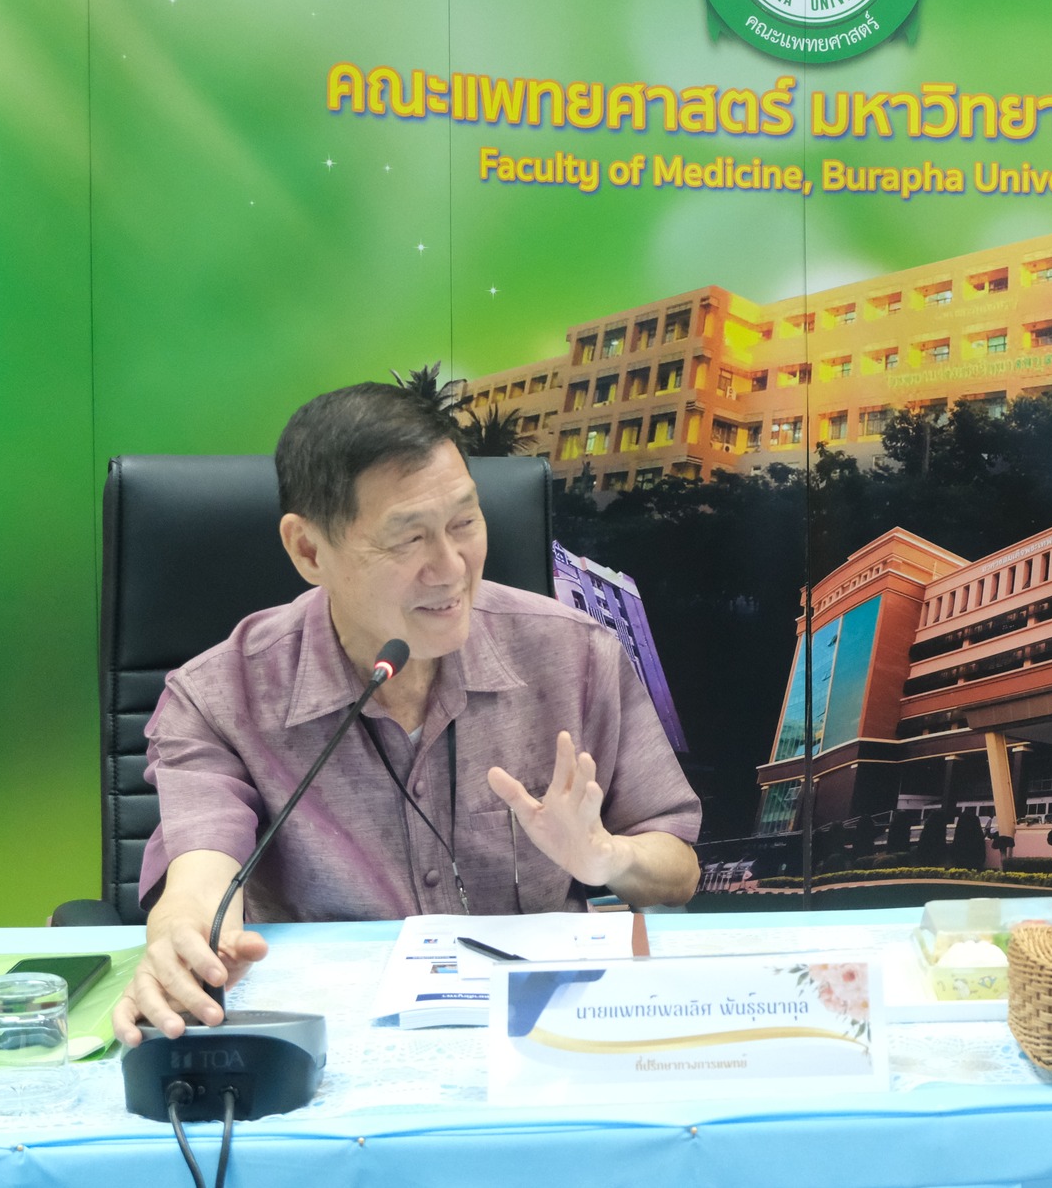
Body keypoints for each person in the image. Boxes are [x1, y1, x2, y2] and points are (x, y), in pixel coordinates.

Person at [112, 382, 701, 1045]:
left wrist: (608, 858)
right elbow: (200, 876)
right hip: (339, 1045)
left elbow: (677, 869)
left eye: (464, 523)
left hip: (544, 1036)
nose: (450, 569)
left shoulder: (575, 654)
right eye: (408, 539)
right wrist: (183, 938)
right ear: (308, 550)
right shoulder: (220, 696)